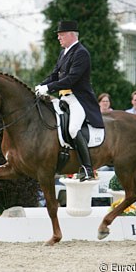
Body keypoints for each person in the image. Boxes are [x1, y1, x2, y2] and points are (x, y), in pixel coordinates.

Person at [35, 20, 104, 181]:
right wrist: (42, 85)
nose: (59, 38)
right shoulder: (64, 52)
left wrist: (49, 88)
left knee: (73, 129)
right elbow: (54, 75)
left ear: (72, 35)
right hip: (63, 98)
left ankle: (87, 168)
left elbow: (72, 79)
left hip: (78, 99)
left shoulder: (81, 53)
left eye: (61, 35)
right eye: (58, 35)